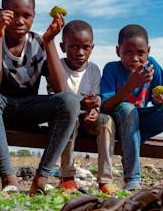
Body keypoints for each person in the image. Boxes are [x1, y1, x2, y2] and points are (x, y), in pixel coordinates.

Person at [0, 0, 80, 195]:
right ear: (1, 12)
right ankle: (9, 179)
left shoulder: (38, 43)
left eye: (27, 15)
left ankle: (41, 178)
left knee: (70, 101)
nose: (20, 21)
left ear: (34, 17)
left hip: (29, 108)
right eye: (14, 14)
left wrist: (49, 41)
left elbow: (61, 89)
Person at [100, 24, 163, 191]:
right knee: (129, 109)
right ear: (117, 51)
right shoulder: (111, 69)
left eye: (140, 53)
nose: (135, 58)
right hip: (121, 123)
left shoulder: (151, 66)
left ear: (148, 51)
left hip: (143, 121)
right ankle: (132, 179)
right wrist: (129, 86)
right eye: (128, 52)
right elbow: (105, 107)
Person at [49, 20, 117, 195]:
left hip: (87, 119)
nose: (80, 52)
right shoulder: (57, 67)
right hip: (64, 118)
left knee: (106, 122)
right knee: (69, 119)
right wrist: (79, 106)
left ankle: (105, 180)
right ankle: (67, 177)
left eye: (85, 47)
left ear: (92, 48)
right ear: (63, 47)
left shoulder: (93, 70)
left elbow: (96, 97)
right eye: (74, 47)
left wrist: (94, 110)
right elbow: (55, 100)